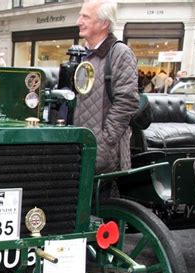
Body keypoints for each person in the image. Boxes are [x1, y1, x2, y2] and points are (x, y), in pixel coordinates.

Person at [74, 0, 139, 175]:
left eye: (85, 17)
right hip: (77, 152)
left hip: (104, 158)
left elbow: (127, 101)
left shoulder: (120, 53)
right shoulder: (81, 55)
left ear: (104, 23)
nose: (78, 21)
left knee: (102, 201)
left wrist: (105, 141)